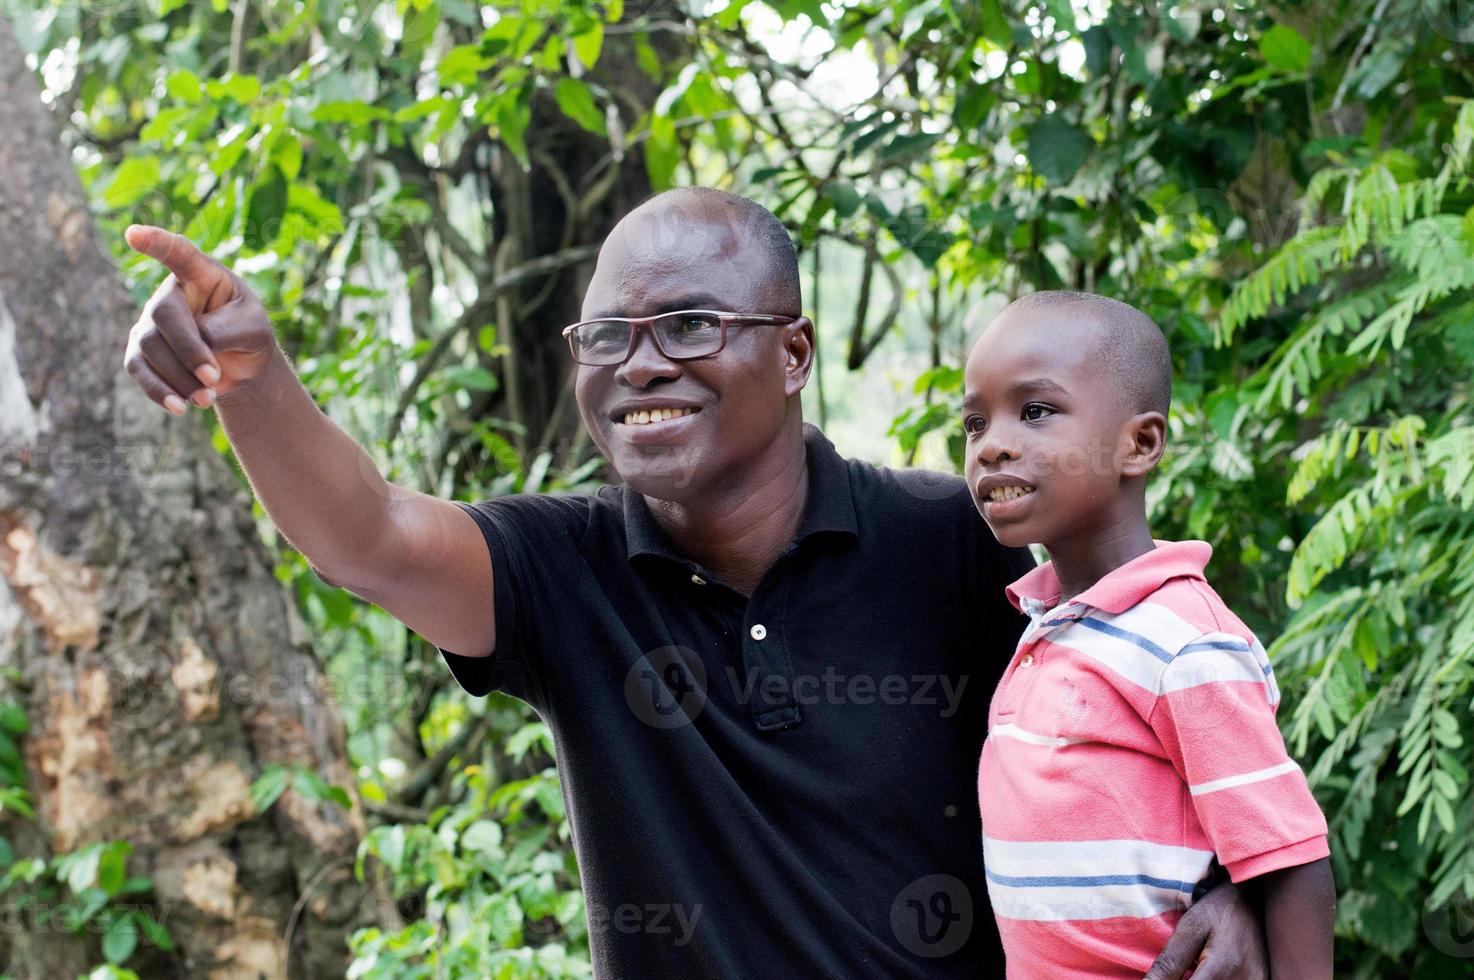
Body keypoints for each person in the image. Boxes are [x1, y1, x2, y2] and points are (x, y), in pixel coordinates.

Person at [122, 188, 1268, 977]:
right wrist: (253, 376)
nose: (642, 362)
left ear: (793, 352)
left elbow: (1139, 727)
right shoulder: (560, 569)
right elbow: (365, 539)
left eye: (688, 323)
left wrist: (1231, 884)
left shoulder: (948, 538)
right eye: (608, 336)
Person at [962, 290, 1335, 979]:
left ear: (1140, 443)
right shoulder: (1044, 623)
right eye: (974, 424)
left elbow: (1291, 859)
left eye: (1035, 411)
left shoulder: (1182, 641)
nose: (993, 445)